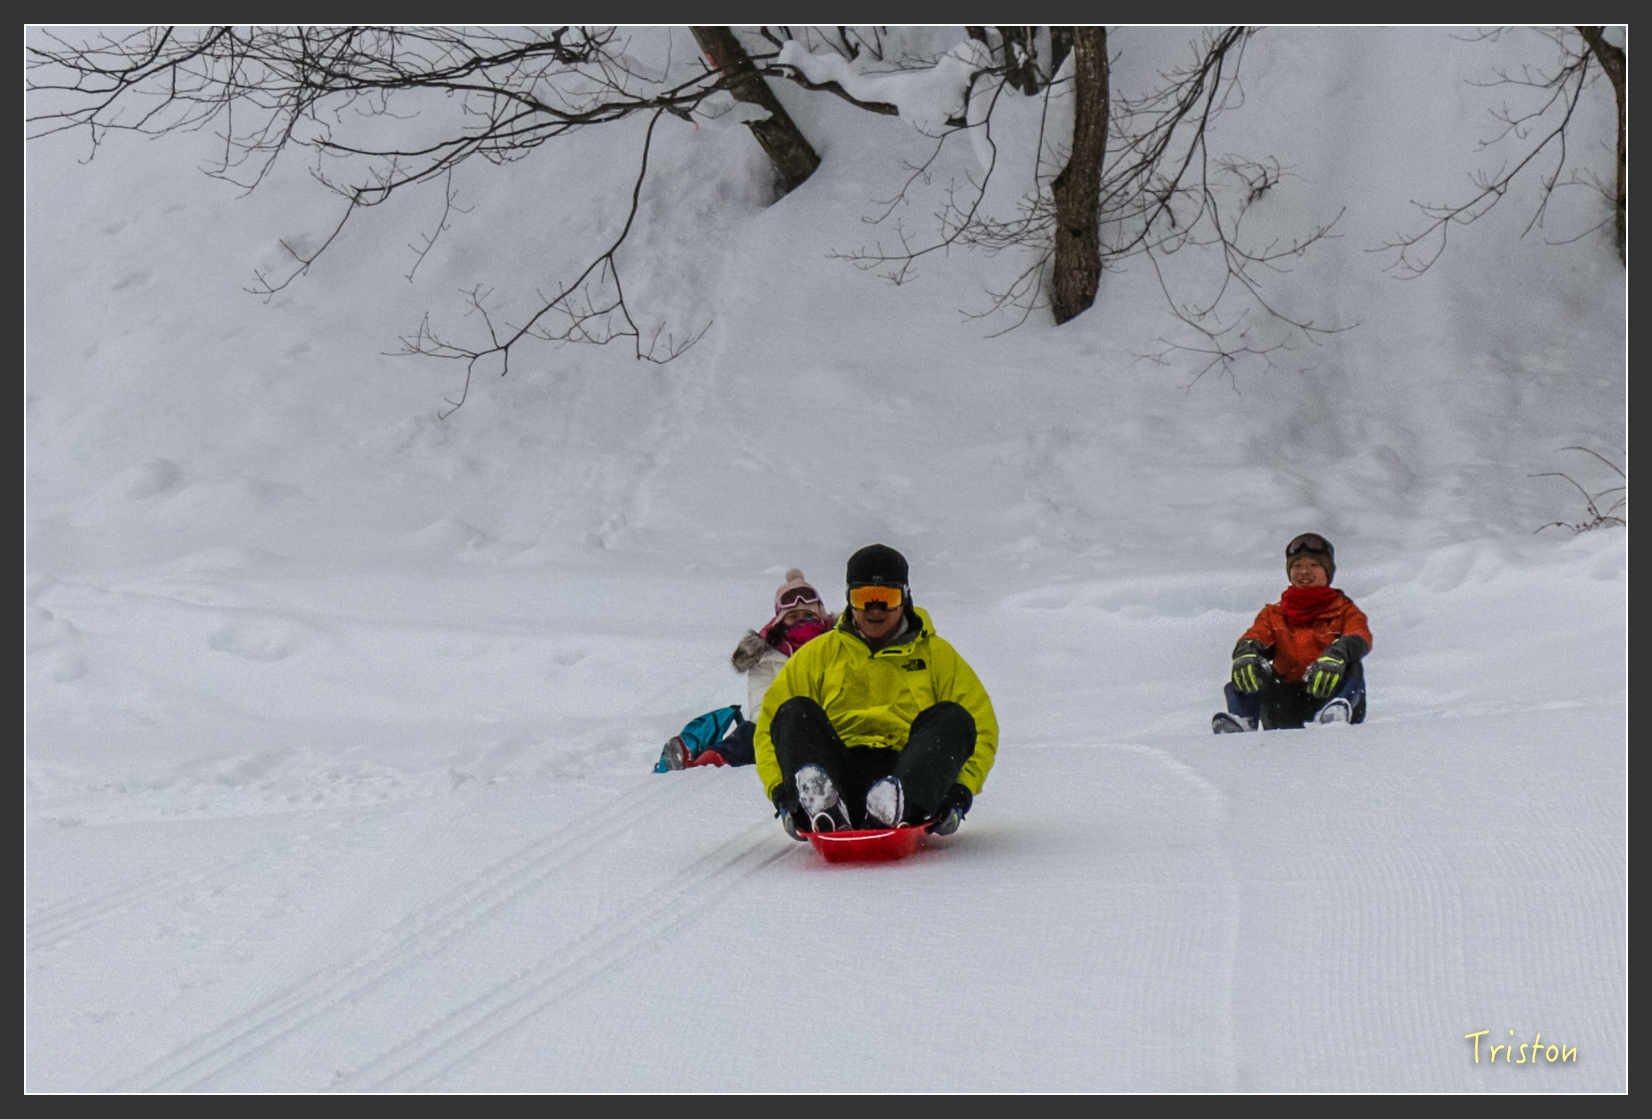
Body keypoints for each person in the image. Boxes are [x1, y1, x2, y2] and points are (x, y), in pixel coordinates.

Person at [754, 543, 998, 839]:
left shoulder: (936, 655)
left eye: (887, 598)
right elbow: (768, 727)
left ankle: (896, 806)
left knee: (955, 717)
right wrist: (782, 794)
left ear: (905, 598)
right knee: (793, 711)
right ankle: (822, 807)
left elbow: (980, 725)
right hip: (837, 775)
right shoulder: (818, 655)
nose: (875, 609)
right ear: (849, 600)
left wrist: (959, 793)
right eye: (863, 597)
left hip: (907, 772)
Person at [655, 569, 835, 771]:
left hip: (833, 730)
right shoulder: (767, 659)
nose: (802, 622)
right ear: (780, 621)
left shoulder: (839, 648)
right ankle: (703, 764)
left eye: (809, 615)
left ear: (820, 616)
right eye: (793, 616)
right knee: (749, 733)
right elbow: (761, 707)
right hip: (783, 734)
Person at [1213, 533, 1372, 732]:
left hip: (1326, 696)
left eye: (1314, 566)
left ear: (1327, 571)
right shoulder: (1273, 614)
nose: (1304, 572)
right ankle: (1243, 721)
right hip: (1285, 707)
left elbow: (1359, 636)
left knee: (1352, 666)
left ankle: (1336, 712)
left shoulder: (1346, 611)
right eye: (1297, 566)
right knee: (1250, 668)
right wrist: (1245, 651)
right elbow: (1255, 636)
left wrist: (1337, 655)